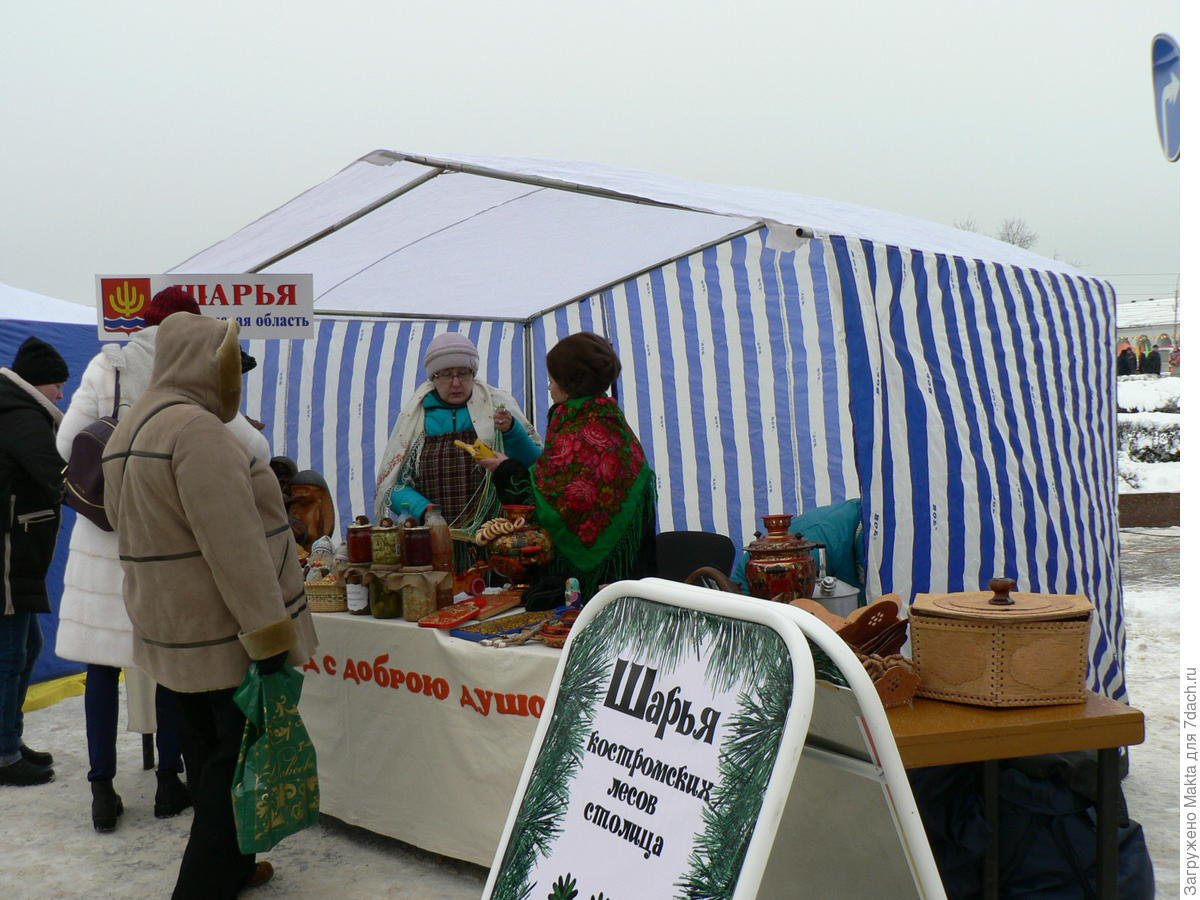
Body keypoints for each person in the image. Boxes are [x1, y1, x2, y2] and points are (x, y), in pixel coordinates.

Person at [103, 313, 317, 897]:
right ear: (202, 363)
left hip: (174, 630)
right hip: (224, 633)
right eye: (230, 362)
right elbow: (235, 547)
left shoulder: (132, 427)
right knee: (230, 768)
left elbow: (129, 531)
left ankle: (236, 869)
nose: (237, 376)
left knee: (207, 755)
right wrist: (270, 636)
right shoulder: (194, 431)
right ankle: (203, 885)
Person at [55, 286, 266, 831]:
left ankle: (102, 787)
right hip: (160, 540)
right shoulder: (189, 369)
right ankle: (170, 780)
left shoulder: (109, 364)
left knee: (99, 671)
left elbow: (66, 442)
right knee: (172, 664)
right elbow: (252, 450)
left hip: (102, 538)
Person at [481, 332, 656, 598]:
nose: (549, 387)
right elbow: (554, 476)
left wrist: (506, 470)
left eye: (552, 380)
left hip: (587, 591)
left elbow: (546, 500)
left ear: (570, 383)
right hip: (625, 579)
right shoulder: (612, 421)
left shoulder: (575, 425)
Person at [374, 332, 541, 548]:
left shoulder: (498, 407)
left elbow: (535, 465)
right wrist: (425, 511)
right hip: (436, 541)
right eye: (445, 374)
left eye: (463, 373)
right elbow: (392, 487)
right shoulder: (415, 418)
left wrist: (511, 430)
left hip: (494, 537)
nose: (455, 383)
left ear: (474, 373)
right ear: (433, 378)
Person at [0, 337, 68, 787]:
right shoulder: (23, 417)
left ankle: (8, 738)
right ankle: (5, 754)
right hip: (8, 551)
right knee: (10, 655)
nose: (61, 394)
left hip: (18, 550)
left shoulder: (17, 411)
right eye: (56, 385)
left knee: (28, 649)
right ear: (36, 383)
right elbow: (55, 471)